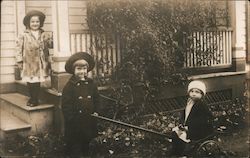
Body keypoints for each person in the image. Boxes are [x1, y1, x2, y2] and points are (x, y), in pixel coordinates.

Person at [62, 52, 100, 157]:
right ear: (73, 71)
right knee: (75, 147)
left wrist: (96, 111)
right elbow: (66, 106)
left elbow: (97, 99)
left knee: (86, 144)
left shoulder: (91, 84)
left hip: (89, 120)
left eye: (84, 69)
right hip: (75, 124)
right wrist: (71, 119)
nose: (82, 71)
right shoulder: (69, 86)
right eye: (79, 69)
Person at [16, 10, 53, 107]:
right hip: (29, 62)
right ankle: (32, 97)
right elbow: (19, 48)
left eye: (37, 21)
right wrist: (19, 60)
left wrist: (49, 39)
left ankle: (35, 99)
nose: (35, 24)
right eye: (32, 22)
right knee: (30, 80)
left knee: (37, 81)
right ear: (28, 23)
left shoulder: (43, 34)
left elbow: (49, 46)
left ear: (40, 23)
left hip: (40, 62)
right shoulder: (24, 35)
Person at [171, 80, 213, 156]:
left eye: (197, 92)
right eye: (192, 91)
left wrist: (188, 127)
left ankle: (184, 154)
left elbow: (202, 120)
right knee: (175, 133)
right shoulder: (189, 102)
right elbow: (184, 115)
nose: (193, 94)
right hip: (188, 127)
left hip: (200, 129)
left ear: (202, 94)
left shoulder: (201, 105)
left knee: (182, 136)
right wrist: (181, 124)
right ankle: (175, 152)